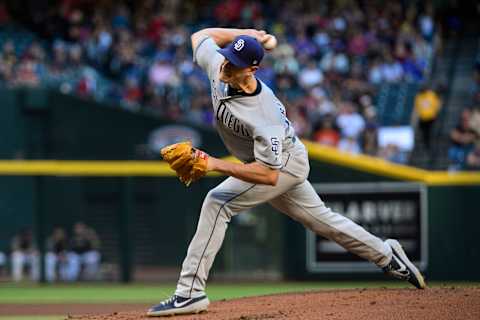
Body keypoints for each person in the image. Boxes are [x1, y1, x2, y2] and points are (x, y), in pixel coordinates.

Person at [147, 28, 426, 317]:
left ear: (253, 69)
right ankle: (386, 254)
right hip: (265, 162)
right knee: (323, 221)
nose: (226, 66)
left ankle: (189, 292)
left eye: (235, 62)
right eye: (228, 57)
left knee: (218, 202)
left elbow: (270, 176)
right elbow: (200, 37)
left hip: (284, 165)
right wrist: (247, 33)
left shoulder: (263, 114)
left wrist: (214, 164)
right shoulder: (220, 65)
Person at [412, 84, 442, 151]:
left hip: (431, 118)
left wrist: (436, 112)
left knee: (429, 132)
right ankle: (424, 145)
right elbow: (417, 107)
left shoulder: (431, 94)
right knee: (423, 132)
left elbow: (437, 104)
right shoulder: (418, 96)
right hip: (422, 118)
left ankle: (429, 146)